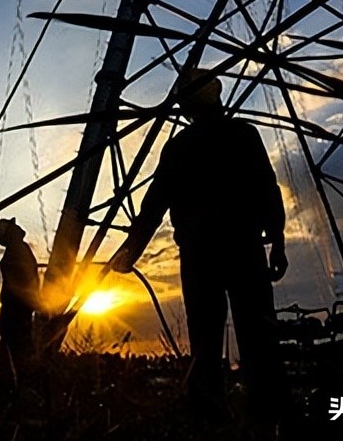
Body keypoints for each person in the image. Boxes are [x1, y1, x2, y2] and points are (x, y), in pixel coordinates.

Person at [110, 68, 288, 430]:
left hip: (203, 255)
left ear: (188, 106)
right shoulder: (241, 135)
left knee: (207, 340)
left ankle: (211, 418)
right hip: (241, 249)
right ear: (216, 97)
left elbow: (153, 206)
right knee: (256, 336)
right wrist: (278, 241)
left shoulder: (181, 147)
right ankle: (266, 415)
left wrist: (131, 253)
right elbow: (266, 188)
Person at [0, 218, 40, 382]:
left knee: (14, 353)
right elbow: (24, 282)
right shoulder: (18, 250)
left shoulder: (17, 250)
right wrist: (36, 301)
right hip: (16, 311)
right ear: (9, 232)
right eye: (13, 226)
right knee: (19, 354)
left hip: (14, 311)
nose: (18, 226)